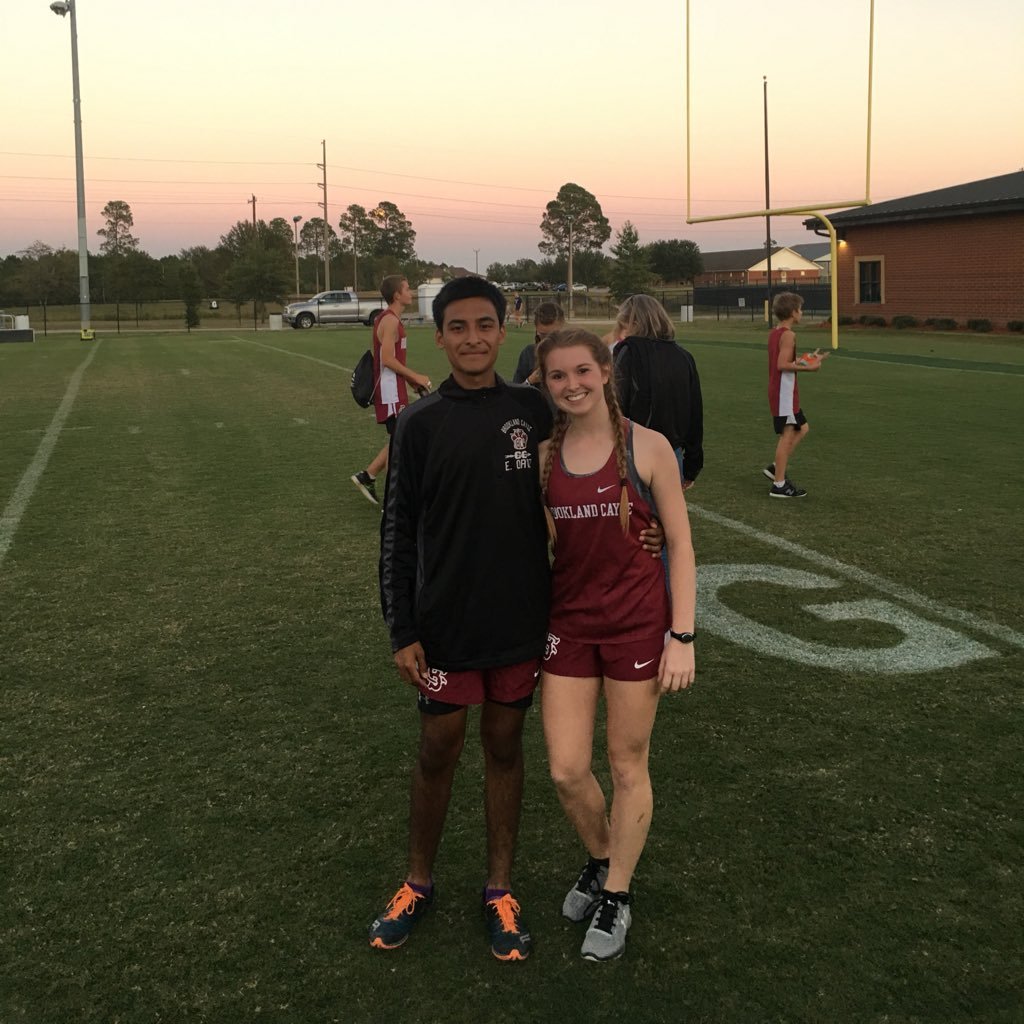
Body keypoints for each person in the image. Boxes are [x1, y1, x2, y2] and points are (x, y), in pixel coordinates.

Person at [370, 276, 552, 962]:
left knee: (505, 749)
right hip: (444, 623)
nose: (473, 338)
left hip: (519, 620)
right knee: (437, 751)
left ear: (503, 333)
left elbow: (597, 464)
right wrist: (402, 628)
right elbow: (397, 532)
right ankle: (418, 880)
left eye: (485, 325)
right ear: (440, 336)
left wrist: (649, 527)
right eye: (458, 327)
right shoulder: (418, 424)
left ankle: (499, 888)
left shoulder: (534, 411)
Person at [537, 327, 697, 962]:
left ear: (606, 370)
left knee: (628, 764)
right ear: (545, 384)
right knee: (567, 769)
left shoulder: (648, 446)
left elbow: (681, 545)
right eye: (557, 376)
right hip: (568, 625)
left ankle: (619, 894)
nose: (572, 384)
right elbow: (542, 545)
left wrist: (680, 635)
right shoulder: (547, 457)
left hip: (636, 626)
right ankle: (603, 859)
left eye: (582, 370)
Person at [350, 275, 431, 506]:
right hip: (390, 394)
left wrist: (410, 381)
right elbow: (386, 360)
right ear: (397, 295)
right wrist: (415, 376)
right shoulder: (390, 321)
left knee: (399, 439)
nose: (411, 291)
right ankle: (393, 502)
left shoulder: (391, 319)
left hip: (395, 389)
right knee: (401, 445)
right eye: (407, 288)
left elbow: (392, 362)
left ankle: (368, 476)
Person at [612, 294, 704, 490]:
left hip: (636, 452)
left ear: (635, 322)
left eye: (624, 325)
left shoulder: (628, 351)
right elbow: (695, 413)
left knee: (632, 519)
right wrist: (693, 463)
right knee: (668, 519)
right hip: (673, 452)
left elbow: (616, 404)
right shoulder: (684, 356)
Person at [764, 291, 821, 498]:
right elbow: (782, 365)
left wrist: (806, 359)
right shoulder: (788, 334)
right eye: (800, 309)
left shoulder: (776, 332)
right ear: (792, 312)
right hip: (783, 394)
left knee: (803, 428)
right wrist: (810, 368)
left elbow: (785, 359)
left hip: (784, 392)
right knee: (787, 435)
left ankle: (775, 467)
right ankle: (779, 484)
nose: (802, 312)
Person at [512, 301, 565, 386]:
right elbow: (514, 394)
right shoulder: (528, 353)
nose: (548, 340)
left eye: (553, 335)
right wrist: (530, 380)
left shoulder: (575, 353)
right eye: (543, 335)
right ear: (536, 330)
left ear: (562, 326)